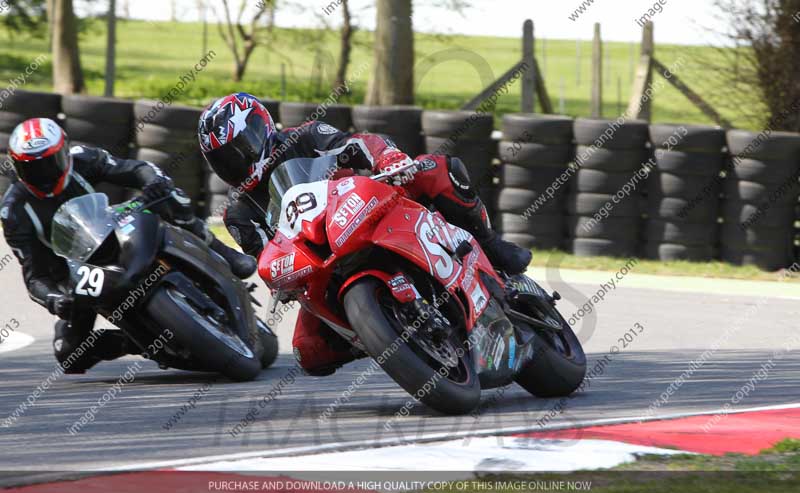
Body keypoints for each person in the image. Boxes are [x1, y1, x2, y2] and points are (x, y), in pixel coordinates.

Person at [198, 92, 532, 375]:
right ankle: (383, 330)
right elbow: (264, 258)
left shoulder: (306, 135)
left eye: (239, 149)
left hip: (370, 208)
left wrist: (386, 158)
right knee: (308, 352)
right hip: (321, 262)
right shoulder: (238, 213)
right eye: (224, 159)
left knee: (436, 170)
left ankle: (489, 243)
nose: (236, 162)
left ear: (260, 128)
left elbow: (356, 141)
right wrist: (282, 279)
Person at [0, 118, 256, 373]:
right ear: (17, 168)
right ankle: (139, 342)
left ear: (64, 152)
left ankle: (223, 253)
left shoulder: (83, 159)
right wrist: (54, 300)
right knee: (69, 355)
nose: (43, 175)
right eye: (31, 168)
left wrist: (152, 182)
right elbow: (35, 277)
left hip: (112, 230)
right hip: (75, 271)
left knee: (169, 195)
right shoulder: (14, 211)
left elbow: (135, 169)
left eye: (49, 164)